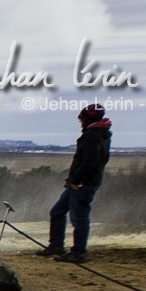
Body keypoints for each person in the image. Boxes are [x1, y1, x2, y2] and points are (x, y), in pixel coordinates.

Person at [45, 104, 112, 263]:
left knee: (79, 218)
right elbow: (102, 159)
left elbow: (90, 160)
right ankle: (56, 245)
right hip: (81, 182)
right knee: (57, 212)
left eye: (81, 118)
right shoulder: (102, 134)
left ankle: (78, 253)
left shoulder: (92, 135)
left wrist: (76, 179)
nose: (79, 121)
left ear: (87, 119)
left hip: (82, 184)